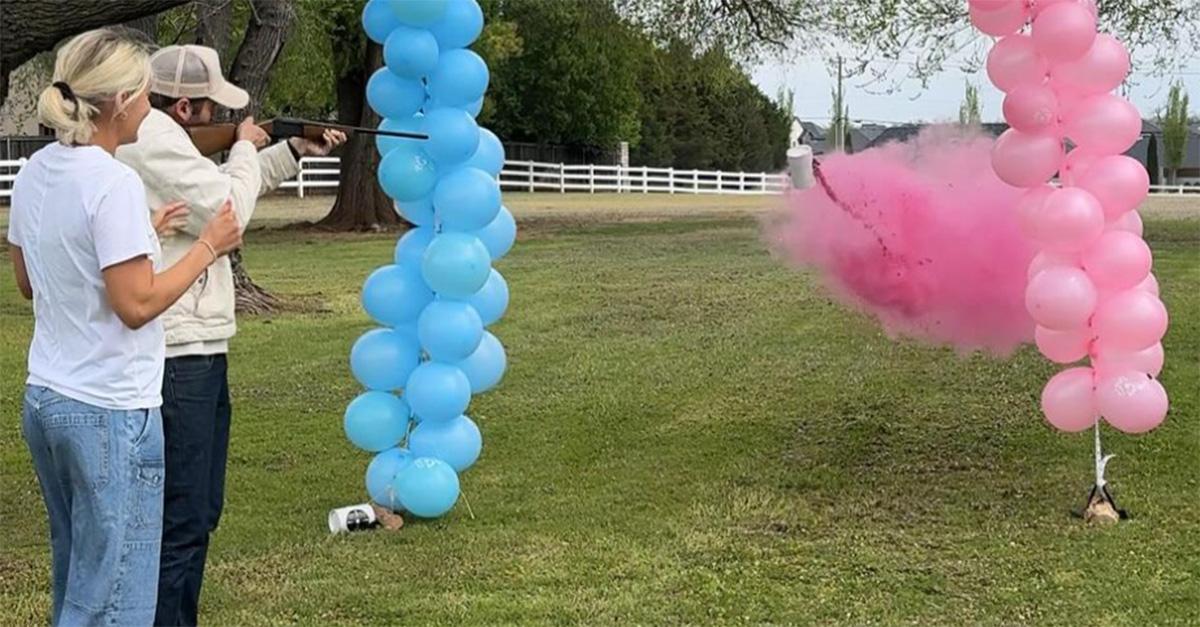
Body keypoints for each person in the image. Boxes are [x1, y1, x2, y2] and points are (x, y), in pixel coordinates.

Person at [7, 29, 242, 626]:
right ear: (118, 102)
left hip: (48, 400)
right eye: (144, 96)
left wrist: (147, 235)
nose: (149, 109)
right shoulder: (111, 182)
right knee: (117, 595)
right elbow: (136, 305)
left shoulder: (37, 171)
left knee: (79, 577)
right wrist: (207, 248)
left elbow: (31, 280)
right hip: (110, 411)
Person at [114, 44, 345, 627]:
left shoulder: (161, 143)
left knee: (196, 509)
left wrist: (288, 149)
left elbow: (216, 189)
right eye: (218, 113)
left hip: (194, 346)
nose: (226, 122)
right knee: (183, 517)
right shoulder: (155, 141)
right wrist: (246, 144)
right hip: (178, 353)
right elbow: (226, 208)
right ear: (186, 108)